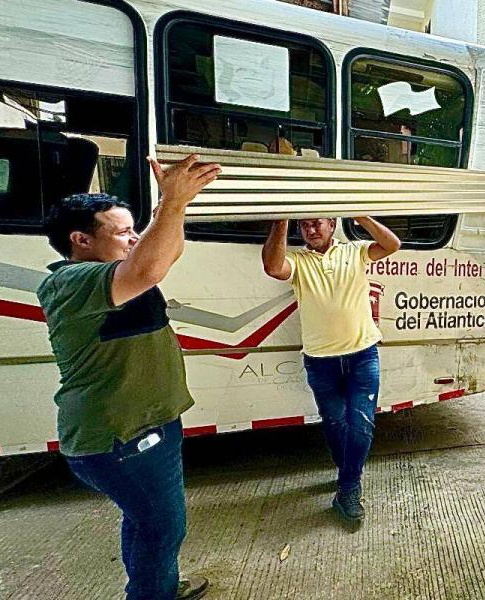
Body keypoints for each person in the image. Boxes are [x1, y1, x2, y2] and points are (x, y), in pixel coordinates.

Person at [37, 154, 220, 600]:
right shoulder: (73, 281)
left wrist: (170, 209)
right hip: (122, 437)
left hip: (147, 426)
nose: (133, 238)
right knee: (163, 527)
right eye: (122, 231)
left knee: (145, 521)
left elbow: (166, 253)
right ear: (80, 240)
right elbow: (150, 267)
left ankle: (151, 588)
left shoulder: (117, 277)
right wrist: (172, 205)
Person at [262, 216, 400, 525]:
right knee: (336, 424)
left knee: (361, 424)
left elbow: (392, 244)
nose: (311, 230)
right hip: (321, 360)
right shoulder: (296, 261)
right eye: (304, 225)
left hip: (363, 355)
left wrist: (362, 214)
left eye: (317, 223)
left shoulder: (356, 251)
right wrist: (282, 221)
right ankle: (347, 471)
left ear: (332, 224)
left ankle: (348, 487)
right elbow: (273, 267)